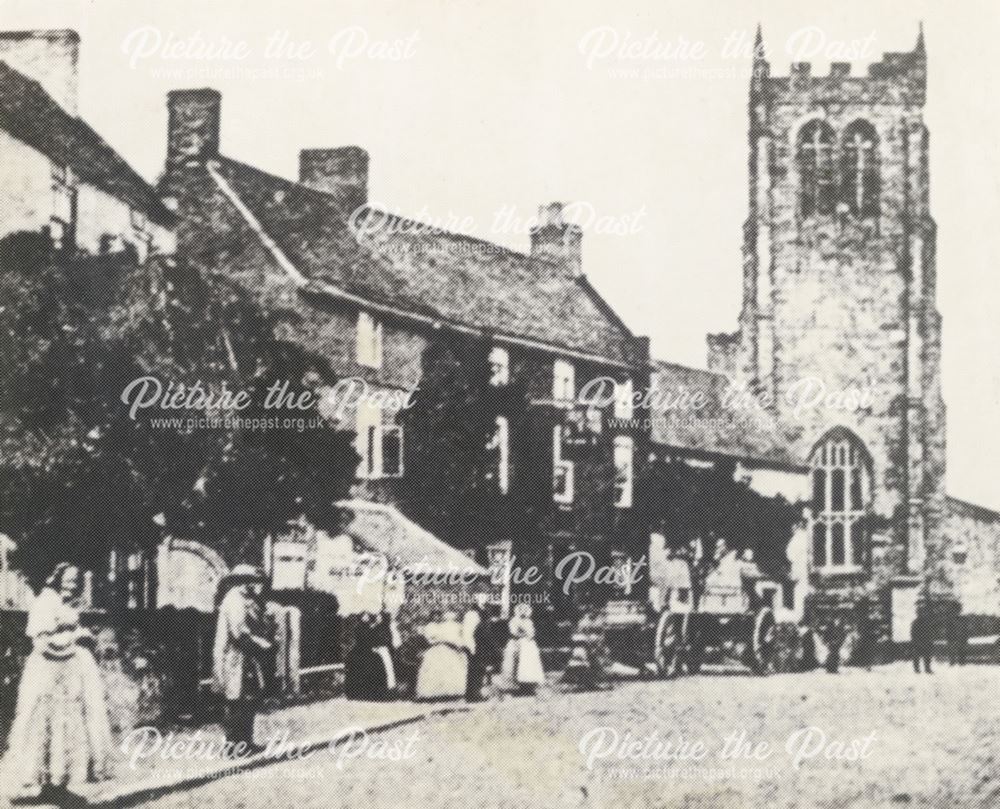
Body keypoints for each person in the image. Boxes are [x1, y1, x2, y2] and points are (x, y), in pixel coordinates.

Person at [1, 563, 114, 799]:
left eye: (76, 582)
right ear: (57, 578)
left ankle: (59, 781)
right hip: (49, 670)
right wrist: (74, 640)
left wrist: (81, 635)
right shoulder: (45, 601)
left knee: (70, 722)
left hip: (71, 670)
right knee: (45, 721)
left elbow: (67, 627)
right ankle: (47, 783)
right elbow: (41, 644)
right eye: (68, 580)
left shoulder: (64, 603)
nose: (72, 586)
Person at [213, 564, 273, 754]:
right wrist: (263, 644)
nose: (257, 584)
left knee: (248, 699)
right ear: (243, 581)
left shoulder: (246, 600)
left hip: (244, 658)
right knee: (235, 702)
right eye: (253, 580)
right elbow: (239, 634)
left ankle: (246, 742)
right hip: (233, 657)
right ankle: (232, 746)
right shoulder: (234, 600)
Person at [415, 610, 468, 700]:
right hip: (434, 649)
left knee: (447, 668)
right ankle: (431, 693)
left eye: (438, 616)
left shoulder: (441, 626)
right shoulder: (430, 626)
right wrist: (440, 640)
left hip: (444, 648)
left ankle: (448, 691)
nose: (437, 618)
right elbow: (429, 640)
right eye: (435, 616)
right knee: (433, 670)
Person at [344, 612, 397, 701]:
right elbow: (364, 640)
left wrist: (377, 646)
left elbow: (385, 641)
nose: (366, 618)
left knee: (383, 670)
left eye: (367, 616)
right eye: (364, 616)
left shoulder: (383, 628)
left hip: (378, 651)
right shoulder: (362, 628)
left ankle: (382, 692)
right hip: (363, 651)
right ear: (360, 617)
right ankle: (359, 692)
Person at [501, 602, 545, 694]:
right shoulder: (514, 620)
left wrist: (528, 634)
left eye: (525, 610)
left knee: (529, 665)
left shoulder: (529, 621)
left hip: (529, 645)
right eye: (521, 610)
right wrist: (522, 634)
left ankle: (530, 685)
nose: (523, 612)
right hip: (519, 644)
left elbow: (532, 633)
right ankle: (521, 685)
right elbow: (513, 632)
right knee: (519, 665)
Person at [463, 594, 498, 702]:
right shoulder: (472, 614)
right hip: (475, 644)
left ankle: (477, 693)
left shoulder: (485, 612)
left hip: (483, 645)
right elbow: (468, 631)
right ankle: (472, 695)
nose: (485, 603)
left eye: (486, 601)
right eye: (482, 601)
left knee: (481, 669)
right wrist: (470, 645)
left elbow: (487, 629)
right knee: (474, 669)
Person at [911, 604, 935, 674]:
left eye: (924, 612)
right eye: (921, 612)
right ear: (918, 613)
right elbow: (913, 633)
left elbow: (930, 632)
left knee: (927, 656)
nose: (923, 614)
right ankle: (917, 669)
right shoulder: (915, 622)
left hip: (926, 641)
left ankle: (927, 669)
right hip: (918, 642)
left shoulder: (927, 622)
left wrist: (930, 640)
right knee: (916, 656)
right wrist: (915, 642)